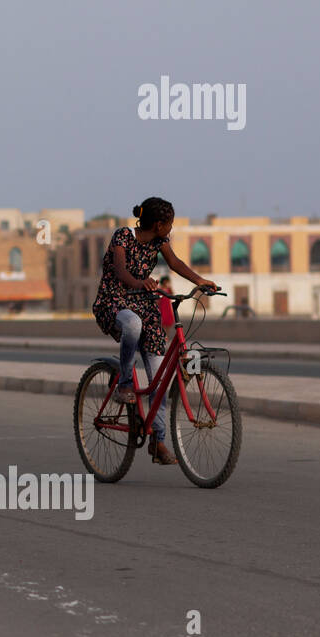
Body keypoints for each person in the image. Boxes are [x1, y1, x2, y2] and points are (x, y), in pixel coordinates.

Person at [91, 197, 216, 465]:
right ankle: (124, 381)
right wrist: (139, 283)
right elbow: (121, 270)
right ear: (159, 224)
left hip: (145, 306)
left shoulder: (160, 242)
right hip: (114, 302)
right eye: (168, 224)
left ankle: (157, 442)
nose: (170, 230)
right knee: (132, 324)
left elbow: (175, 263)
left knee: (158, 380)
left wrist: (199, 280)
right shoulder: (123, 236)